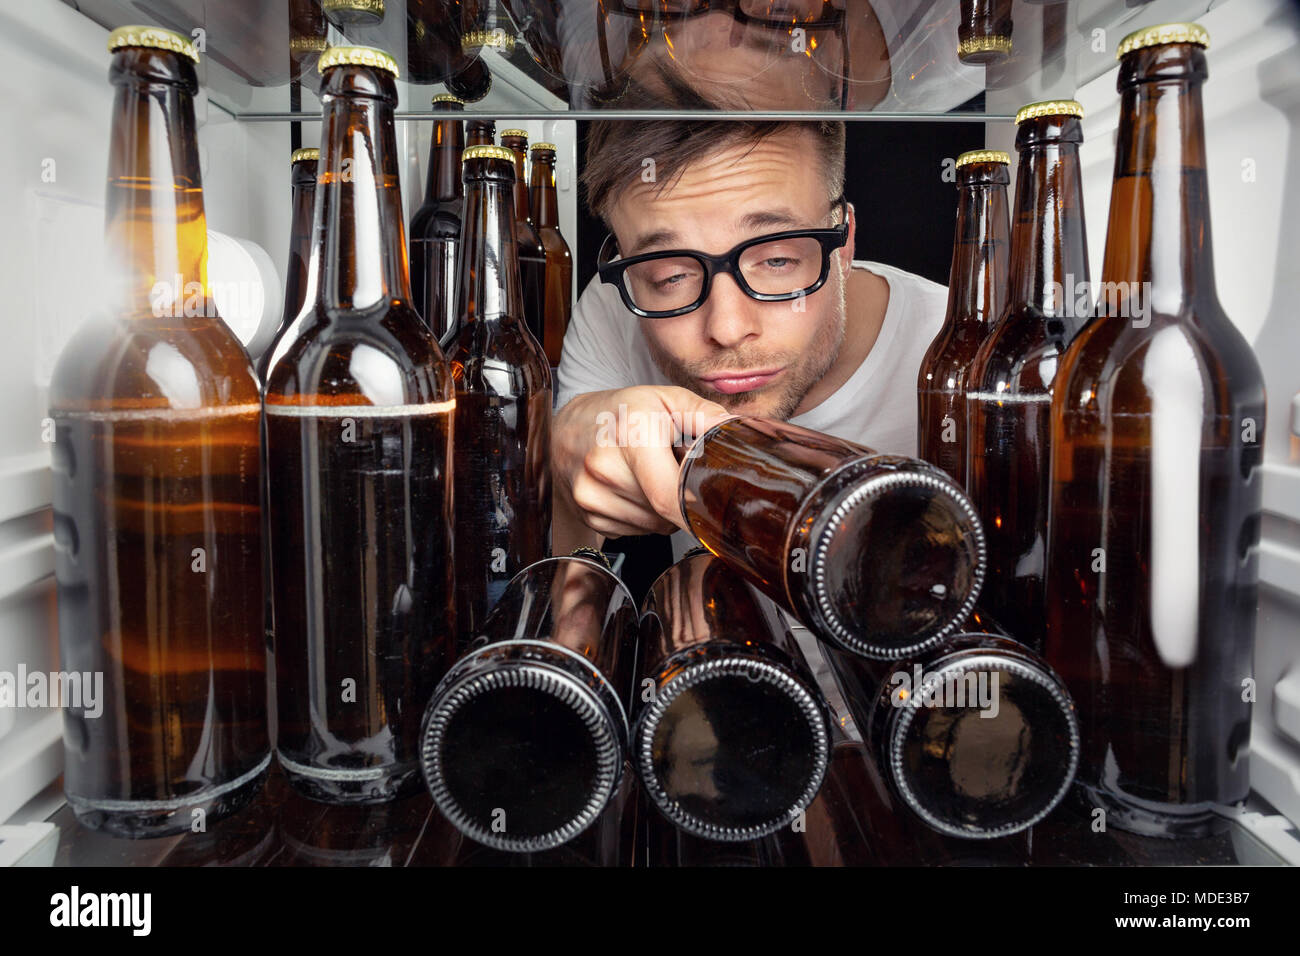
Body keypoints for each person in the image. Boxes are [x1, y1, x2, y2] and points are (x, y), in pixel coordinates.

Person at [552, 119, 947, 556]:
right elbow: (561, 586)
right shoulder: (614, 304)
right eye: (670, 276)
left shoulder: (958, 349)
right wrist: (560, 462)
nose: (727, 329)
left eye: (777, 259)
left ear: (846, 241)